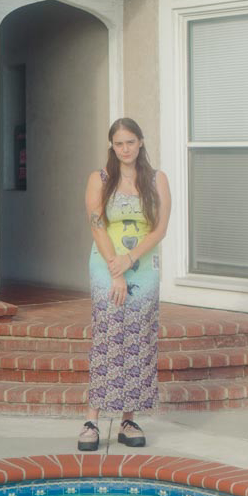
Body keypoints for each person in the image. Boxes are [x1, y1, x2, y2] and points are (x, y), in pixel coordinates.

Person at [79, 118, 171, 451]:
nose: (125, 149)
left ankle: (128, 419)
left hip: (143, 269)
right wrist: (116, 270)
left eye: (130, 142)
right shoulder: (99, 179)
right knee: (107, 336)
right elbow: (97, 225)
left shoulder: (157, 179)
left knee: (137, 340)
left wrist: (131, 261)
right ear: (112, 147)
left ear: (141, 142)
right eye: (118, 144)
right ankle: (92, 419)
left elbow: (159, 230)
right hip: (107, 266)